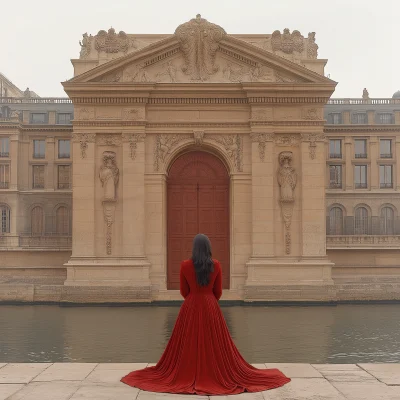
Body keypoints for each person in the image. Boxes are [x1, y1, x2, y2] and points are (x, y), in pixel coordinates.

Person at [121, 234, 291, 395]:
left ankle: (189, 371)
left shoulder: (184, 265)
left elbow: (183, 291)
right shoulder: (216, 265)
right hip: (210, 306)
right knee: (214, 342)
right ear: (208, 247)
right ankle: (211, 371)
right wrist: (208, 299)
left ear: (194, 248)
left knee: (188, 341)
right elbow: (218, 292)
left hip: (190, 306)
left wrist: (193, 299)